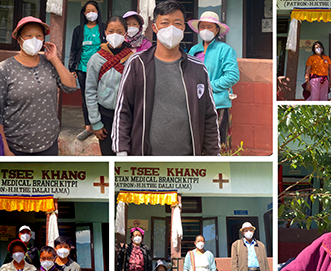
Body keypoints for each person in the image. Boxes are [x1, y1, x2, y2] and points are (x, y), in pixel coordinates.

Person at [112, 0, 220, 156]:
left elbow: (209, 116)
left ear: (184, 27)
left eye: (177, 23)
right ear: (155, 27)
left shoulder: (197, 68)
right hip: (145, 162)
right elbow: (123, 110)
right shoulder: (137, 64)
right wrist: (121, 150)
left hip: (187, 164)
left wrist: (213, 155)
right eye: (165, 23)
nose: (172, 29)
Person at [0, 16, 77, 156]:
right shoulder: (4, 69)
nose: (34, 40)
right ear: (19, 39)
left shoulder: (49, 63)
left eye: (38, 36)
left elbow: (71, 86)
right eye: (28, 36)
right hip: (16, 147)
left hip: (49, 144)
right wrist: (5, 150)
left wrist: (55, 59)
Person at [188, 11, 239, 153]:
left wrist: (209, 87)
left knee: (218, 144)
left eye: (209, 27)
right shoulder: (193, 50)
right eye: (202, 26)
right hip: (195, 103)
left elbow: (233, 76)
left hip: (218, 104)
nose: (205, 30)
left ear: (217, 30)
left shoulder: (225, 50)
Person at [85, 16, 134, 156]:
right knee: (108, 156)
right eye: (111, 31)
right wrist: (95, 122)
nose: (115, 35)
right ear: (105, 33)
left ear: (125, 34)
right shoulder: (96, 59)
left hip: (126, 117)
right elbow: (90, 91)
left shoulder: (132, 58)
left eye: (119, 32)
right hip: (105, 115)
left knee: (126, 156)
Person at [69, 1, 106, 141]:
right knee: (86, 98)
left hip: (102, 68)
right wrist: (72, 68)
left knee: (102, 95)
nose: (91, 13)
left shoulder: (103, 28)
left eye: (94, 10)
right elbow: (74, 50)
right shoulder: (78, 30)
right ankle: (88, 127)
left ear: (98, 12)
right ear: (84, 13)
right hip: (83, 68)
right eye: (88, 10)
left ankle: (102, 124)